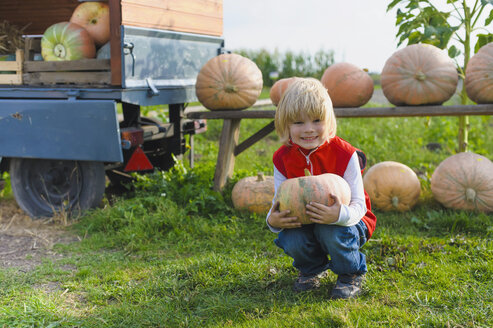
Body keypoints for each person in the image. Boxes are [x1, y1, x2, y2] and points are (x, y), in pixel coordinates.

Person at [266, 78, 377, 299]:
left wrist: (339, 214)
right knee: (291, 237)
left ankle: (350, 273)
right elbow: (278, 203)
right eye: (298, 123)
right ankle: (310, 270)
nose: (308, 130)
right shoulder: (282, 158)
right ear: (285, 125)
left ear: (329, 121)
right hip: (306, 222)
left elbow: (359, 205)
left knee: (331, 230)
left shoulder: (345, 154)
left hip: (350, 222)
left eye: (317, 120)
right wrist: (273, 221)